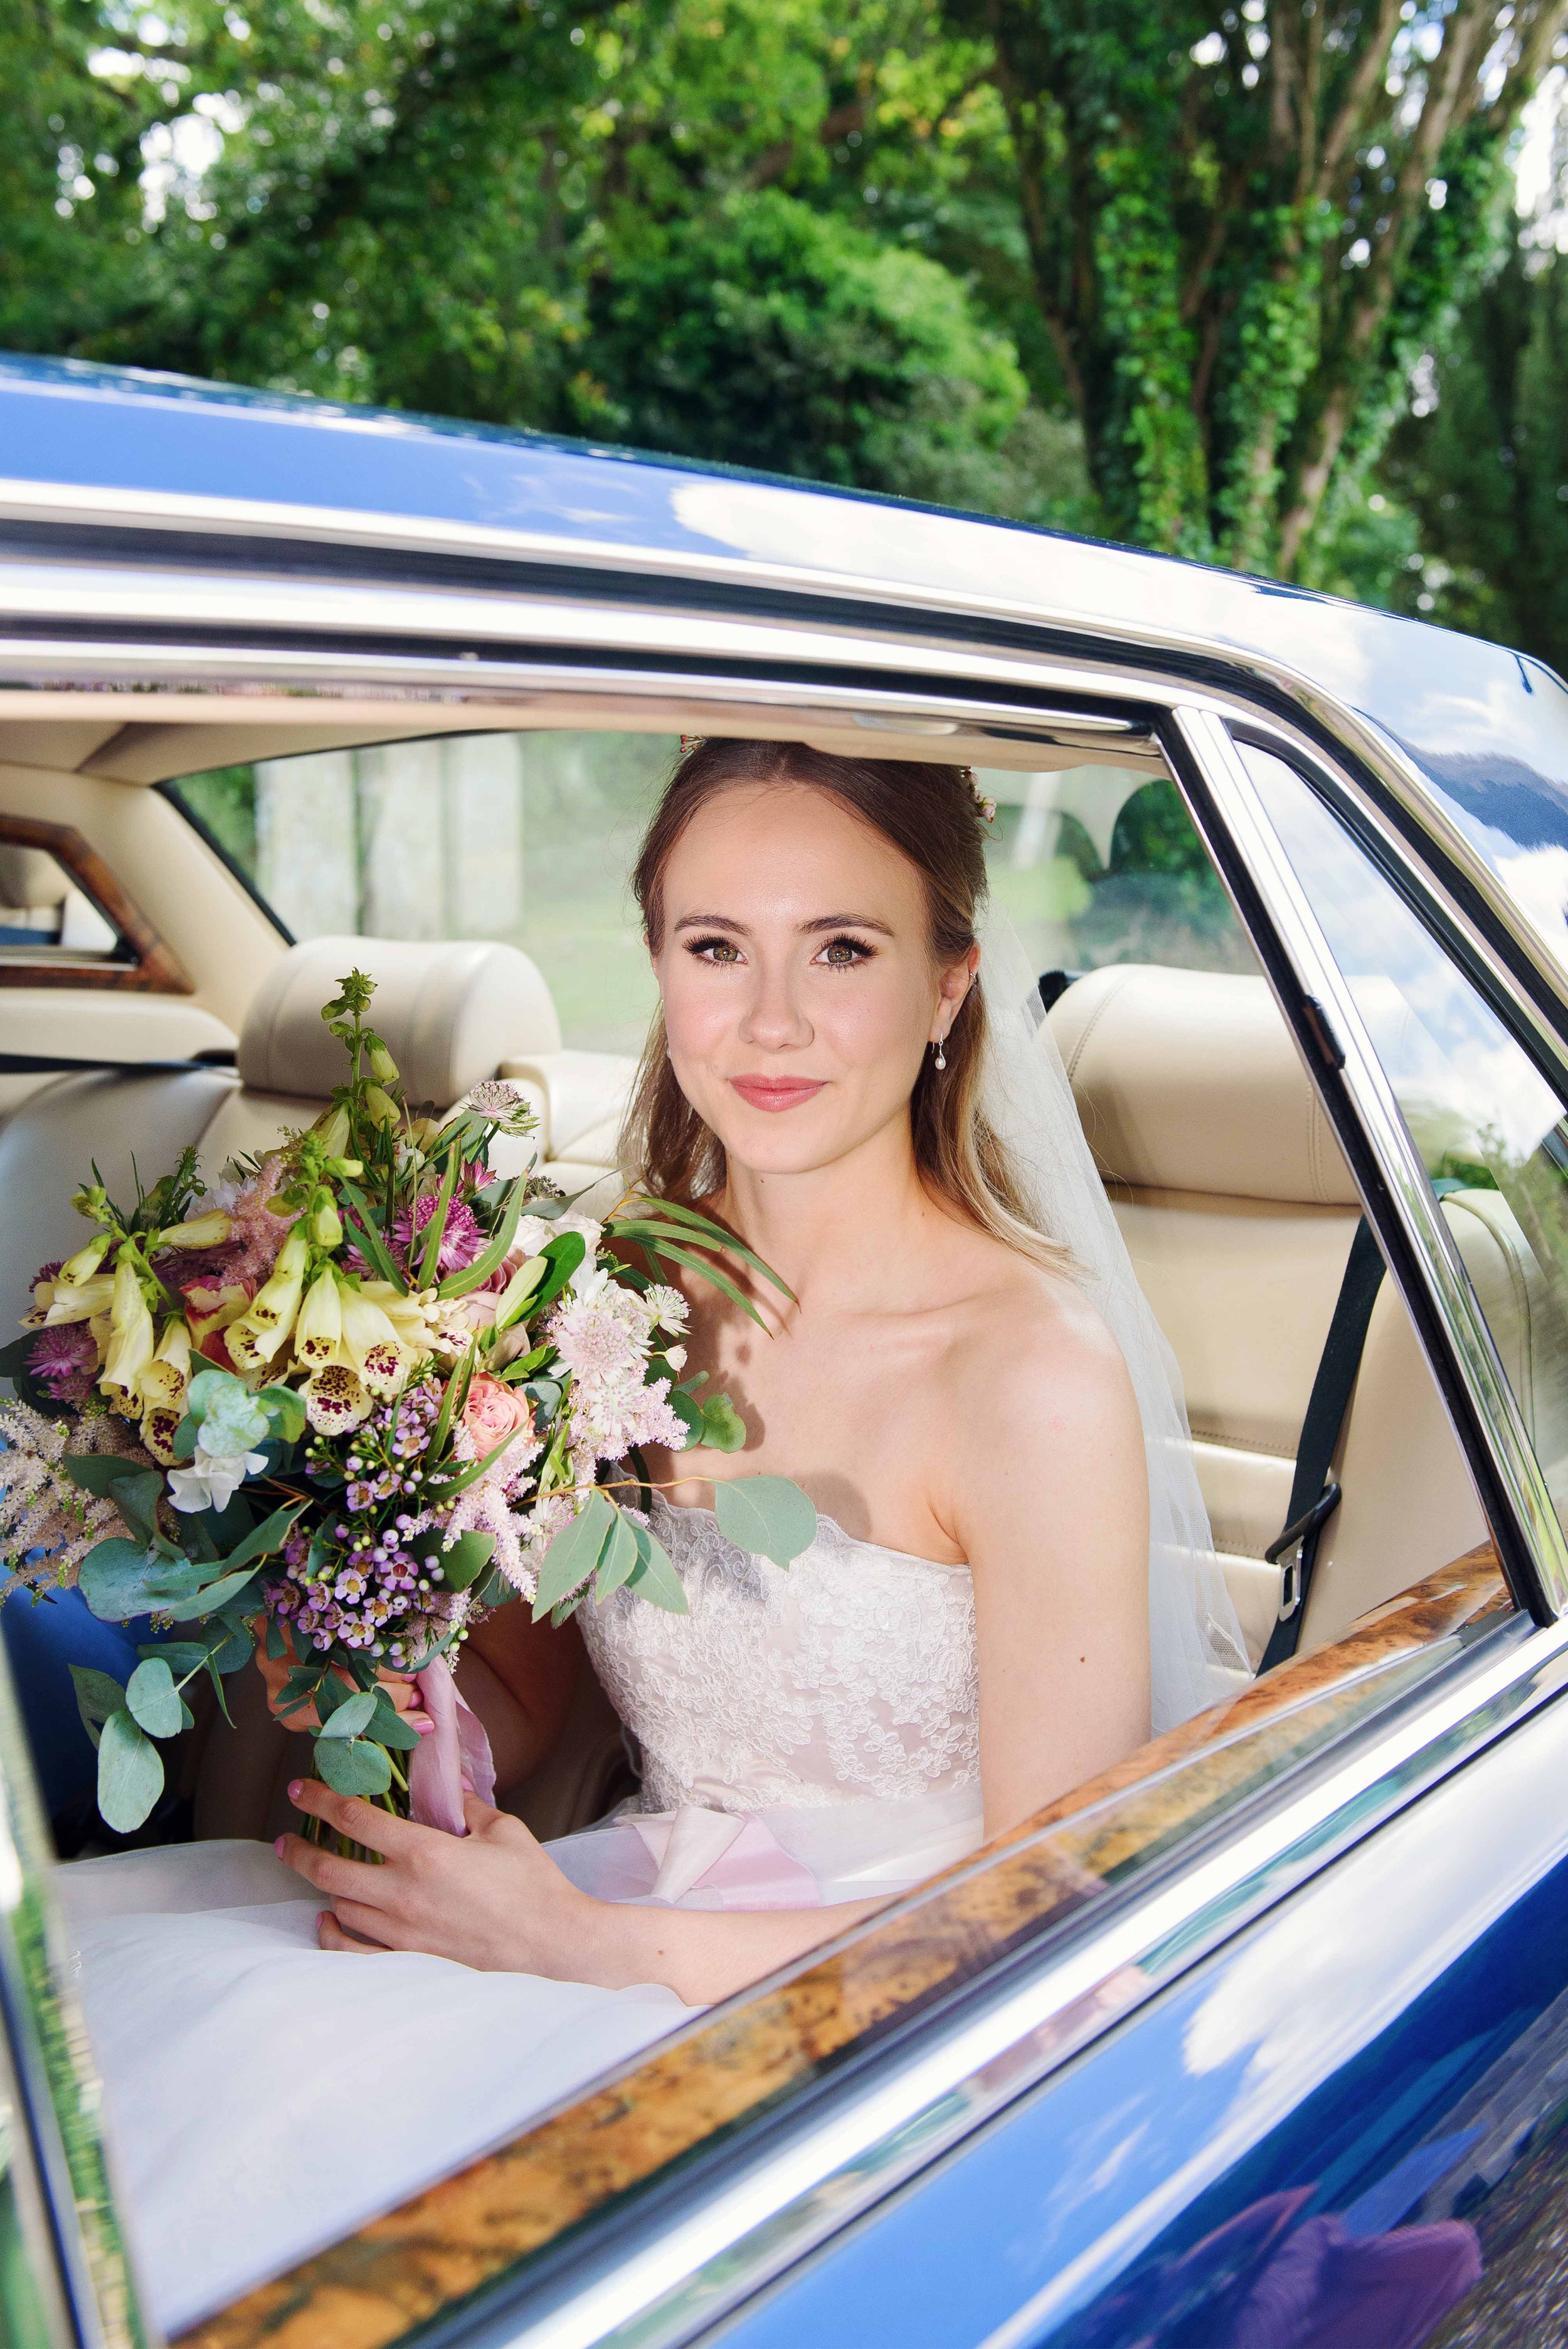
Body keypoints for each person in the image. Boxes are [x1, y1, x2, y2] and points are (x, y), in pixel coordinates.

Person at [52, 741, 1243, 2332]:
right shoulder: (605, 1297)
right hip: (606, 1882)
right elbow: (533, 1699)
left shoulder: (1027, 1375)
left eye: (840, 948)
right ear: (658, 969)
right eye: (713, 947)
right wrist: (351, 1605)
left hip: (870, 2003)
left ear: (950, 983)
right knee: (102, 2045)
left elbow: (1045, 1920)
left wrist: (586, 1943)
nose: (767, 1021)